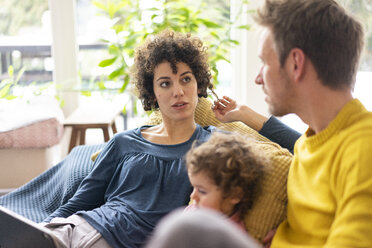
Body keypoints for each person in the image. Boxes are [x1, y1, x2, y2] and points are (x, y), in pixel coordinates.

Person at [214, 0, 372, 247]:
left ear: (296, 64)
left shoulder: (364, 150)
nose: (257, 78)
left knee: (186, 229)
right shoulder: (311, 142)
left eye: (265, 62)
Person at [41, 30, 217, 248]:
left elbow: (268, 153)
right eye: (165, 83)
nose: (178, 91)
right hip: (82, 230)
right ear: (152, 93)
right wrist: (40, 231)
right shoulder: (123, 142)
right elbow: (79, 202)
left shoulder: (214, 144)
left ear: (198, 85)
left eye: (186, 79)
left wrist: (244, 115)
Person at [184, 131, 264, 230]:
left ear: (235, 194)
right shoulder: (194, 209)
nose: (193, 196)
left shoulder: (230, 233)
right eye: (193, 188)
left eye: (202, 191)